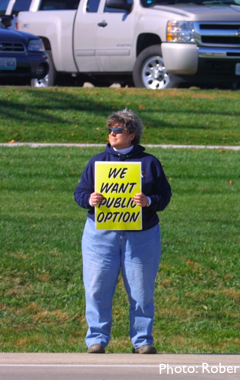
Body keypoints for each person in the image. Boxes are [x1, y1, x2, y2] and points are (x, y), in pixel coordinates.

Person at [74, 110, 172, 354]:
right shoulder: (97, 161)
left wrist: (148, 201)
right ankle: (96, 339)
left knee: (141, 290)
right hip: (100, 235)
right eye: (110, 130)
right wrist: (90, 198)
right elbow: (79, 194)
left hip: (142, 235)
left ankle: (142, 340)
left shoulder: (149, 163)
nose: (111, 134)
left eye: (116, 130)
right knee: (97, 287)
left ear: (131, 134)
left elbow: (164, 196)